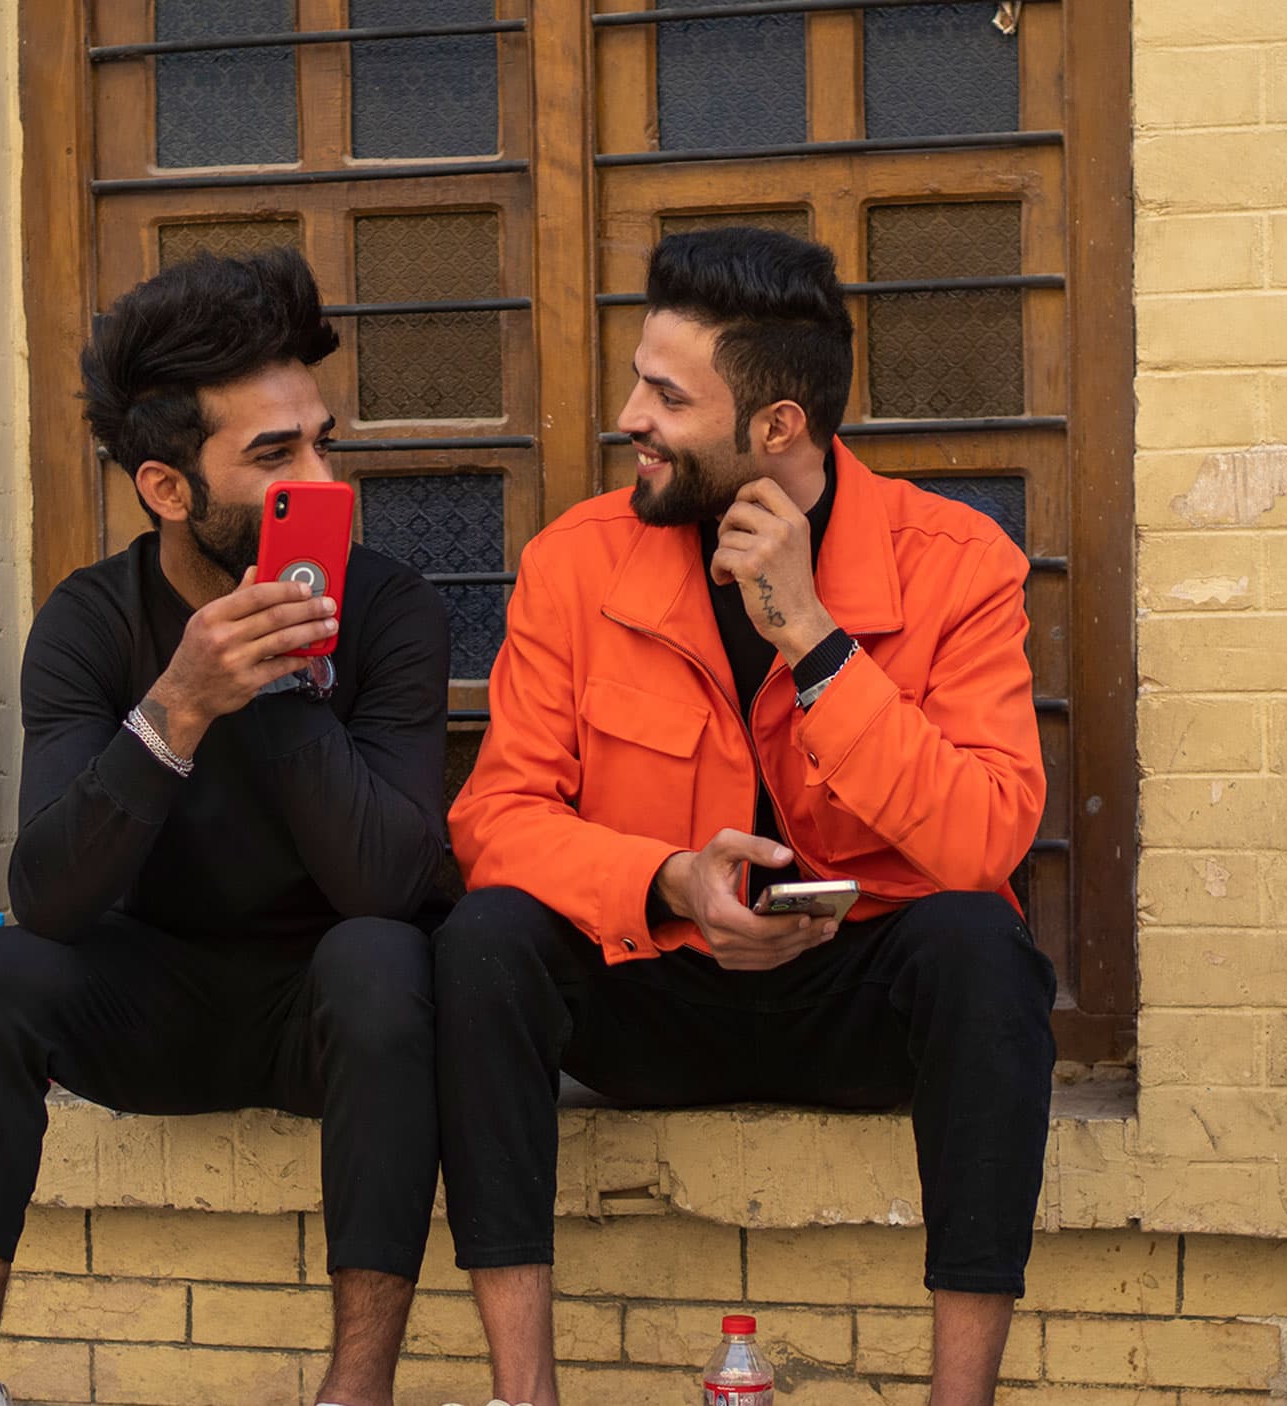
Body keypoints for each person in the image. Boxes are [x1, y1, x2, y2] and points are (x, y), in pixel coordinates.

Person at [434, 228, 1053, 1406]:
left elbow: (986, 836)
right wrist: (669, 878)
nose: (630, 414)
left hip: (851, 1000)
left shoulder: (953, 563)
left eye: (666, 395)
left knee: (982, 944)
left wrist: (816, 641)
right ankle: (527, 1396)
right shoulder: (575, 563)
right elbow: (494, 818)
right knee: (483, 941)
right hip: (652, 987)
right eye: (638, 381)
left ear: (775, 426)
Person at [0, 249, 451, 1406]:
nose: (322, 477)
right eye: (275, 458)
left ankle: (355, 1395)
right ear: (165, 487)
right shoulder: (92, 622)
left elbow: (389, 882)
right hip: (149, 1004)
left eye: (320, 441)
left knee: (385, 955)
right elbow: (48, 895)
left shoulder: (388, 606)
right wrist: (178, 705)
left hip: (326, 1011)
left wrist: (293, 680)